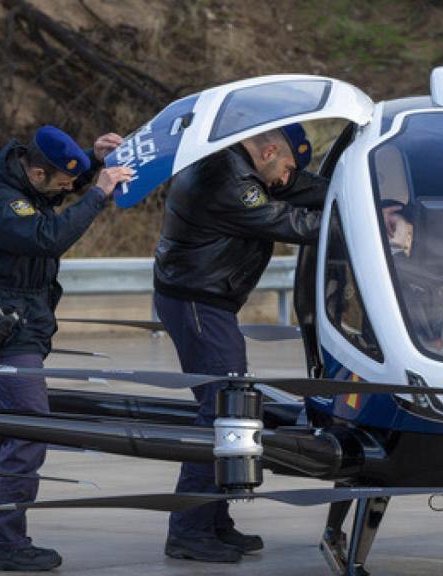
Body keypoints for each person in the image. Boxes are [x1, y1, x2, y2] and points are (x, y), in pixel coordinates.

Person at [0, 125, 133, 571]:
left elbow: (51, 202)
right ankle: (3, 539)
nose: (67, 189)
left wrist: (92, 161)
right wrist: (97, 192)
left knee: (5, 433)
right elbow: (47, 236)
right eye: (60, 181)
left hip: (23, 320)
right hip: (5, 325)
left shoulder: (24, 184)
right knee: (29, 428)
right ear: (37, 171)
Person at [153, 123, 327, 563]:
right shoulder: (226, 179)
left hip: (204, 299)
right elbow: (285, 220)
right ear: (267, 150)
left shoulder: (241, 165)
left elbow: (299, 189)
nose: (285, 179)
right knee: (220, 412)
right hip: (198, 301)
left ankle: (212, 519)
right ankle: (190, 529)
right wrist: (362, 222)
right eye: (285, 167)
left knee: (227, 410)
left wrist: (358, 195)